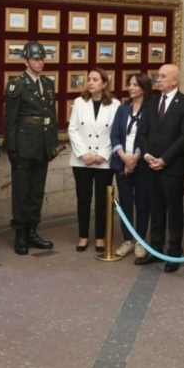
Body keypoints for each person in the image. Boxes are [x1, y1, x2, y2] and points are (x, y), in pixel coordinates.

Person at [134, 64, 184, 272]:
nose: (157, 79)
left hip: (172, 168)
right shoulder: (151, 104)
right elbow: (141, 133)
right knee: (156, 210)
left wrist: (165, 159)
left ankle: (174, 253)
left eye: (162, 76)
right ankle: (156, 250)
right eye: (157, 76)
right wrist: (149, 156)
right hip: (150, 166)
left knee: (174, 212)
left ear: (174, 80)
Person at [4, 40, 57, 255]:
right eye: (36, 59)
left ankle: (33, 232)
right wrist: (12, 149)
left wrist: (52, 143)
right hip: (24, 145)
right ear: (26, 60)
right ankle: (20, 235)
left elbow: (51, 116)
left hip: (42, 145)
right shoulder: (18, 84)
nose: (40, 62)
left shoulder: (47, 83)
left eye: (42, 59)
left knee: (36, 191)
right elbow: (10, 119)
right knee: (21, 192)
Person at [68, 66, 118, 253]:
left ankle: (100, 237)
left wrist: (102, 155)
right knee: (83, 199)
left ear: (104, 83)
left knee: (102, 201)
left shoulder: (115, 104)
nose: (90, 82)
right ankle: (83, 236)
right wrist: (83, 154)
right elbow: (72, 129)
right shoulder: (79, 102)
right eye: (89, 79)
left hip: (104, 160)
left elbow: (116, 133)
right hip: (82, 160)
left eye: (95, 79)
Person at [110, 72, 153, 259]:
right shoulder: (122, 109)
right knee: (125, 203)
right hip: (122, 162)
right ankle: (128, 240)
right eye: (130, 84)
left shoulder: (150, 109)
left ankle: (141, 240)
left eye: (135, 84)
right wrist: (124, 157)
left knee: (142, 203)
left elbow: (148, 136)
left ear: (144, 88)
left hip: (141, 163)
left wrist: (135, 158)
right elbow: (114, 135)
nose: (131, 87)